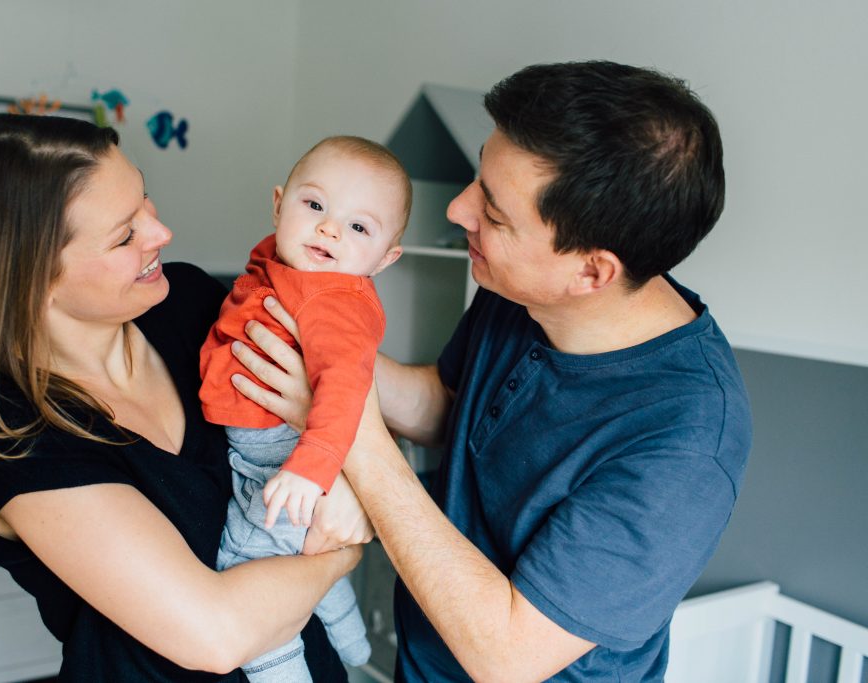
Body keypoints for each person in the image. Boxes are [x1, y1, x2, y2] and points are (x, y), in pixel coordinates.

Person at [233, 61, 754, 682]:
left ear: (590, 273)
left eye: (495, 214)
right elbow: (451, 407)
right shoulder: (522, 289)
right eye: (479, 178)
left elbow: (509, 656)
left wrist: (350, 435)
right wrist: (331, 361)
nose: (458, 210)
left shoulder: (686, 444)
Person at [0, 112, 373, 682]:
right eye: (125, 234)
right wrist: (343, 547)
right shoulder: (4, 430)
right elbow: (216, 633)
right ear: (28, 275)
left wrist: (350, 475)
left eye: (145, 201)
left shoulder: (195, 305)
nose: (160, 233)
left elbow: (346, 384)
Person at [199, 136, 409, 681]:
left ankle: (284, 666)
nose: (329, 229)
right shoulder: (285, 264)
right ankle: (353, 645)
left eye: (359, 228)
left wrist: (310, 470)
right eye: (314, 205)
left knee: (248, 572)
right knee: (305, 557)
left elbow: (345, 387)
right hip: (267, 452)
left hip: (287, 459)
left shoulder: (333, 296)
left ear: (385, 259)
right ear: (279, 203)